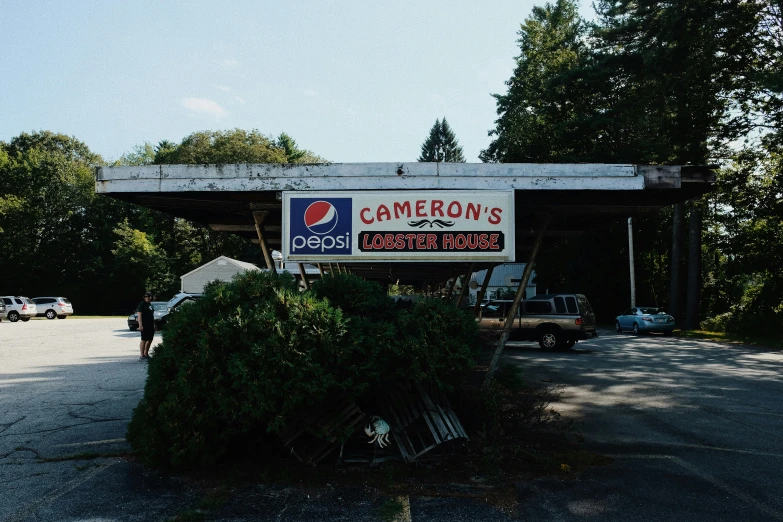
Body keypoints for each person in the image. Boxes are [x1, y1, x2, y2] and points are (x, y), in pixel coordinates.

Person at [137, 291, 155, 360]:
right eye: (146, 296)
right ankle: (142, 355)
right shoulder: (142, 304)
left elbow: (152, 315)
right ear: (144, 298)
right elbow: (139, 316)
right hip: (144, 324)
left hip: (150, 324)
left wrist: (154, 325)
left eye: (149, 296)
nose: (148, 298)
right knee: (144, 339)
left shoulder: (150, 305)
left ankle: (146, 353)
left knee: (150, 339)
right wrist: (140, 325)